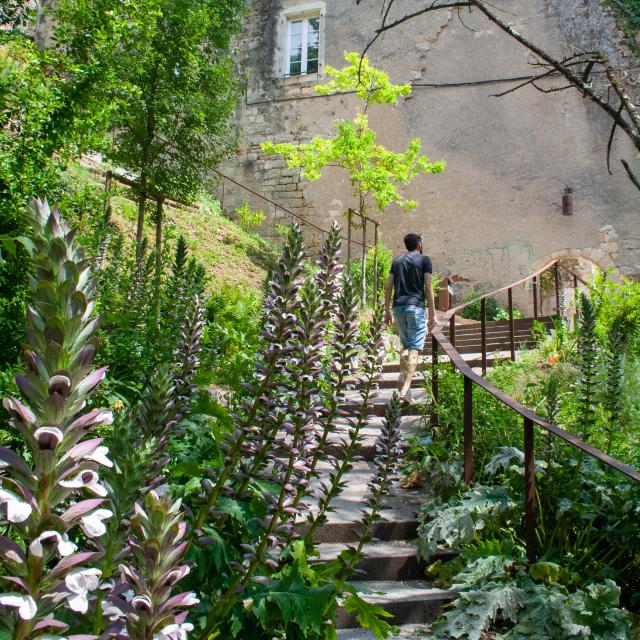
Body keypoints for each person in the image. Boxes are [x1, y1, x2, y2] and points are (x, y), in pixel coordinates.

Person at [384, 233, 436, 402]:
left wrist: (386, 311)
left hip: (398, 308)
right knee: (414, 348)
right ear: (419, 244)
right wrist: (432, 314)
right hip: (415, 307)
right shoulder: (424, 260)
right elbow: (428, 287)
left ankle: (401, 383)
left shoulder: (397, 261)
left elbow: (388, 286)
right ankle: (406, 389)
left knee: (405, 346)